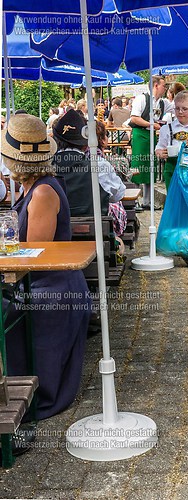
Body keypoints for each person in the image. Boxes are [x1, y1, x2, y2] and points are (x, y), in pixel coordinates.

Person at [1, 113, 92, 420]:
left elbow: (33, 259)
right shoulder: (32, 187)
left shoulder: (41, 192)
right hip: (46, 285)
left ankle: (18, 398)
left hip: (51, 290)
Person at [52, 109, 110, 217]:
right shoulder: (99, 165)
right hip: (93, 230)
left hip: (55, 231)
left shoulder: (42, 169)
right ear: (85, 144)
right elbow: (117, 194)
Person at [129, 76, 173, 209]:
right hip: (140, 134)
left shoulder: (163, 103)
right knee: (138, 166)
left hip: (152, 135)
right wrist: (152, 124)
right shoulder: (141, 98)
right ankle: (134, 200)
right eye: (163, 85)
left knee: (151, 167)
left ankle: (147, 202)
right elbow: (134, 118)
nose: (165, 88)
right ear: (155, 86)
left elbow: (177, 106)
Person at [155, 91, 188, 191]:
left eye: (184, 109)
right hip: (172, 170)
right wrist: (160, 153)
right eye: (177, 108)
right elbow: (158, 148)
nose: (180, 112)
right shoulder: (166, 128)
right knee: (174, 202)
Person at [95, 120, 127, 237]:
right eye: (106, 135)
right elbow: (117, 195)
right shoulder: (100, 163)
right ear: (102, 140)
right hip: (99, 220)